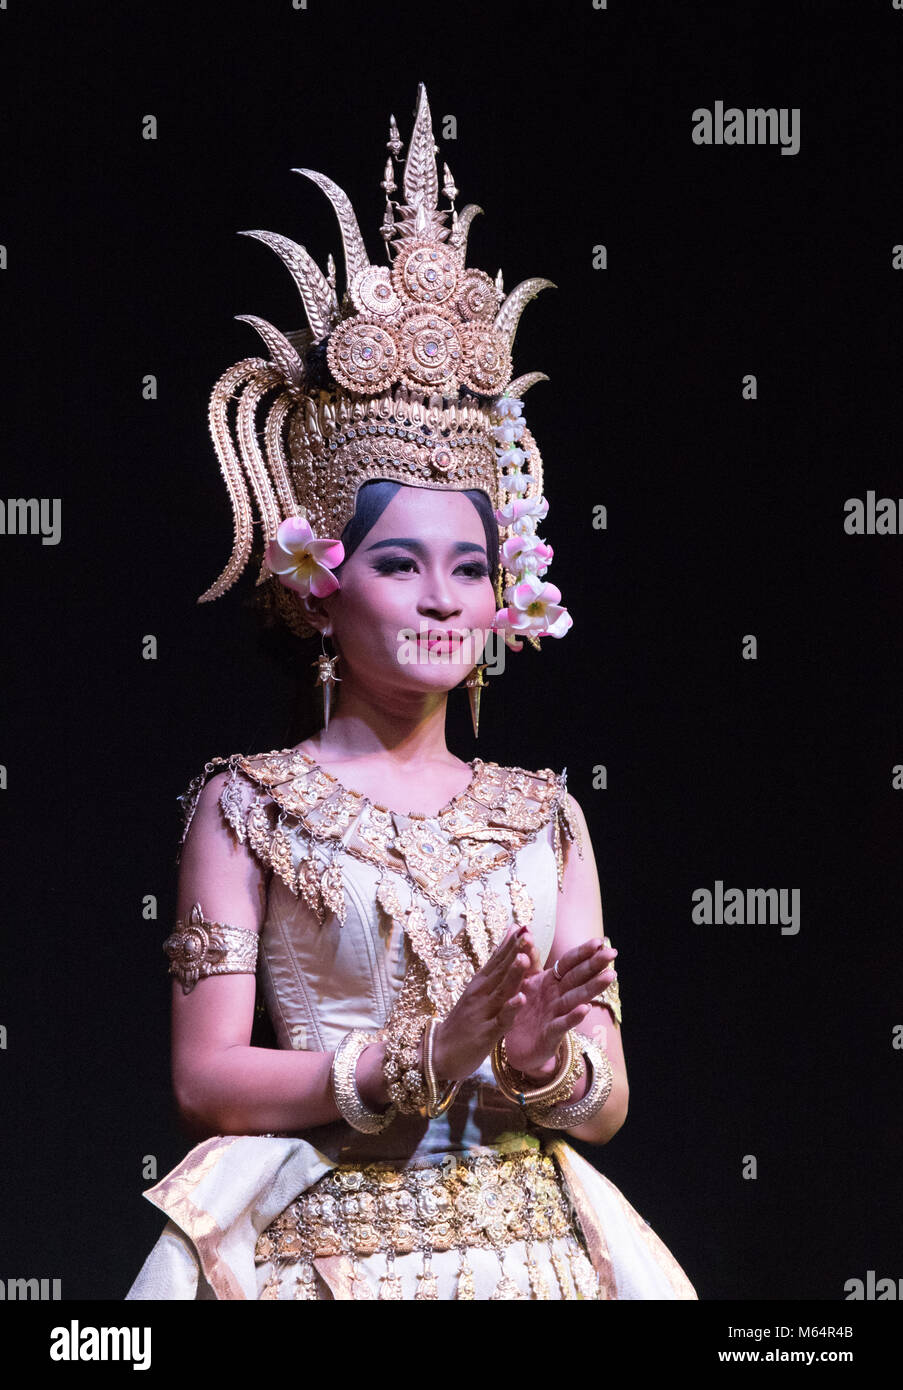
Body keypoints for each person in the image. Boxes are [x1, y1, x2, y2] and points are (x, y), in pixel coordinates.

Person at [125, 84, 697, 1301]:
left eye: (470, 565)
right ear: (321, 588)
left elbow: (610, 1089)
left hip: (536, 1244)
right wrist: (407, 1059)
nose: (442, 598)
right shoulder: (248, 804)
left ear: (506, 596)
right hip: (321, 1242)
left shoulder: (543, 814)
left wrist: (543, 1065)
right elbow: (205, 1075)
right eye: (399, 561)